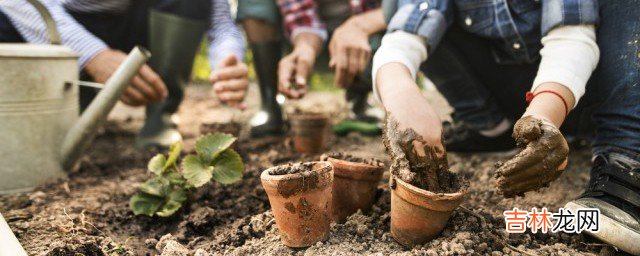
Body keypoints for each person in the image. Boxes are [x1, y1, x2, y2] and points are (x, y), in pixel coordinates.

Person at [373, 0, 639, 254]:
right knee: (396, 7)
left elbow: (572, 38)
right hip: (513, 93)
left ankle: (624, 154)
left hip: (587, 88)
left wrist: (544, 114)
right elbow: (406, 34)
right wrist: (400, 92)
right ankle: (491, 128)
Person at [0, 0, 249, 148]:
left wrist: (228, 60)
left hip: (138, 25)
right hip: (66, 24)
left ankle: (160, 117)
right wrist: (93, 54)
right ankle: (69, 108)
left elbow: (221, 22)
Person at [231, 0, 387, 137]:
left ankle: (359, 97)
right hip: (307, 40)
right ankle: (269, 102)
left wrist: (358, 27)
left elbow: (407, 8)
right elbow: (302, 17)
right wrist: (306, 48)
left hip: (372, 40)